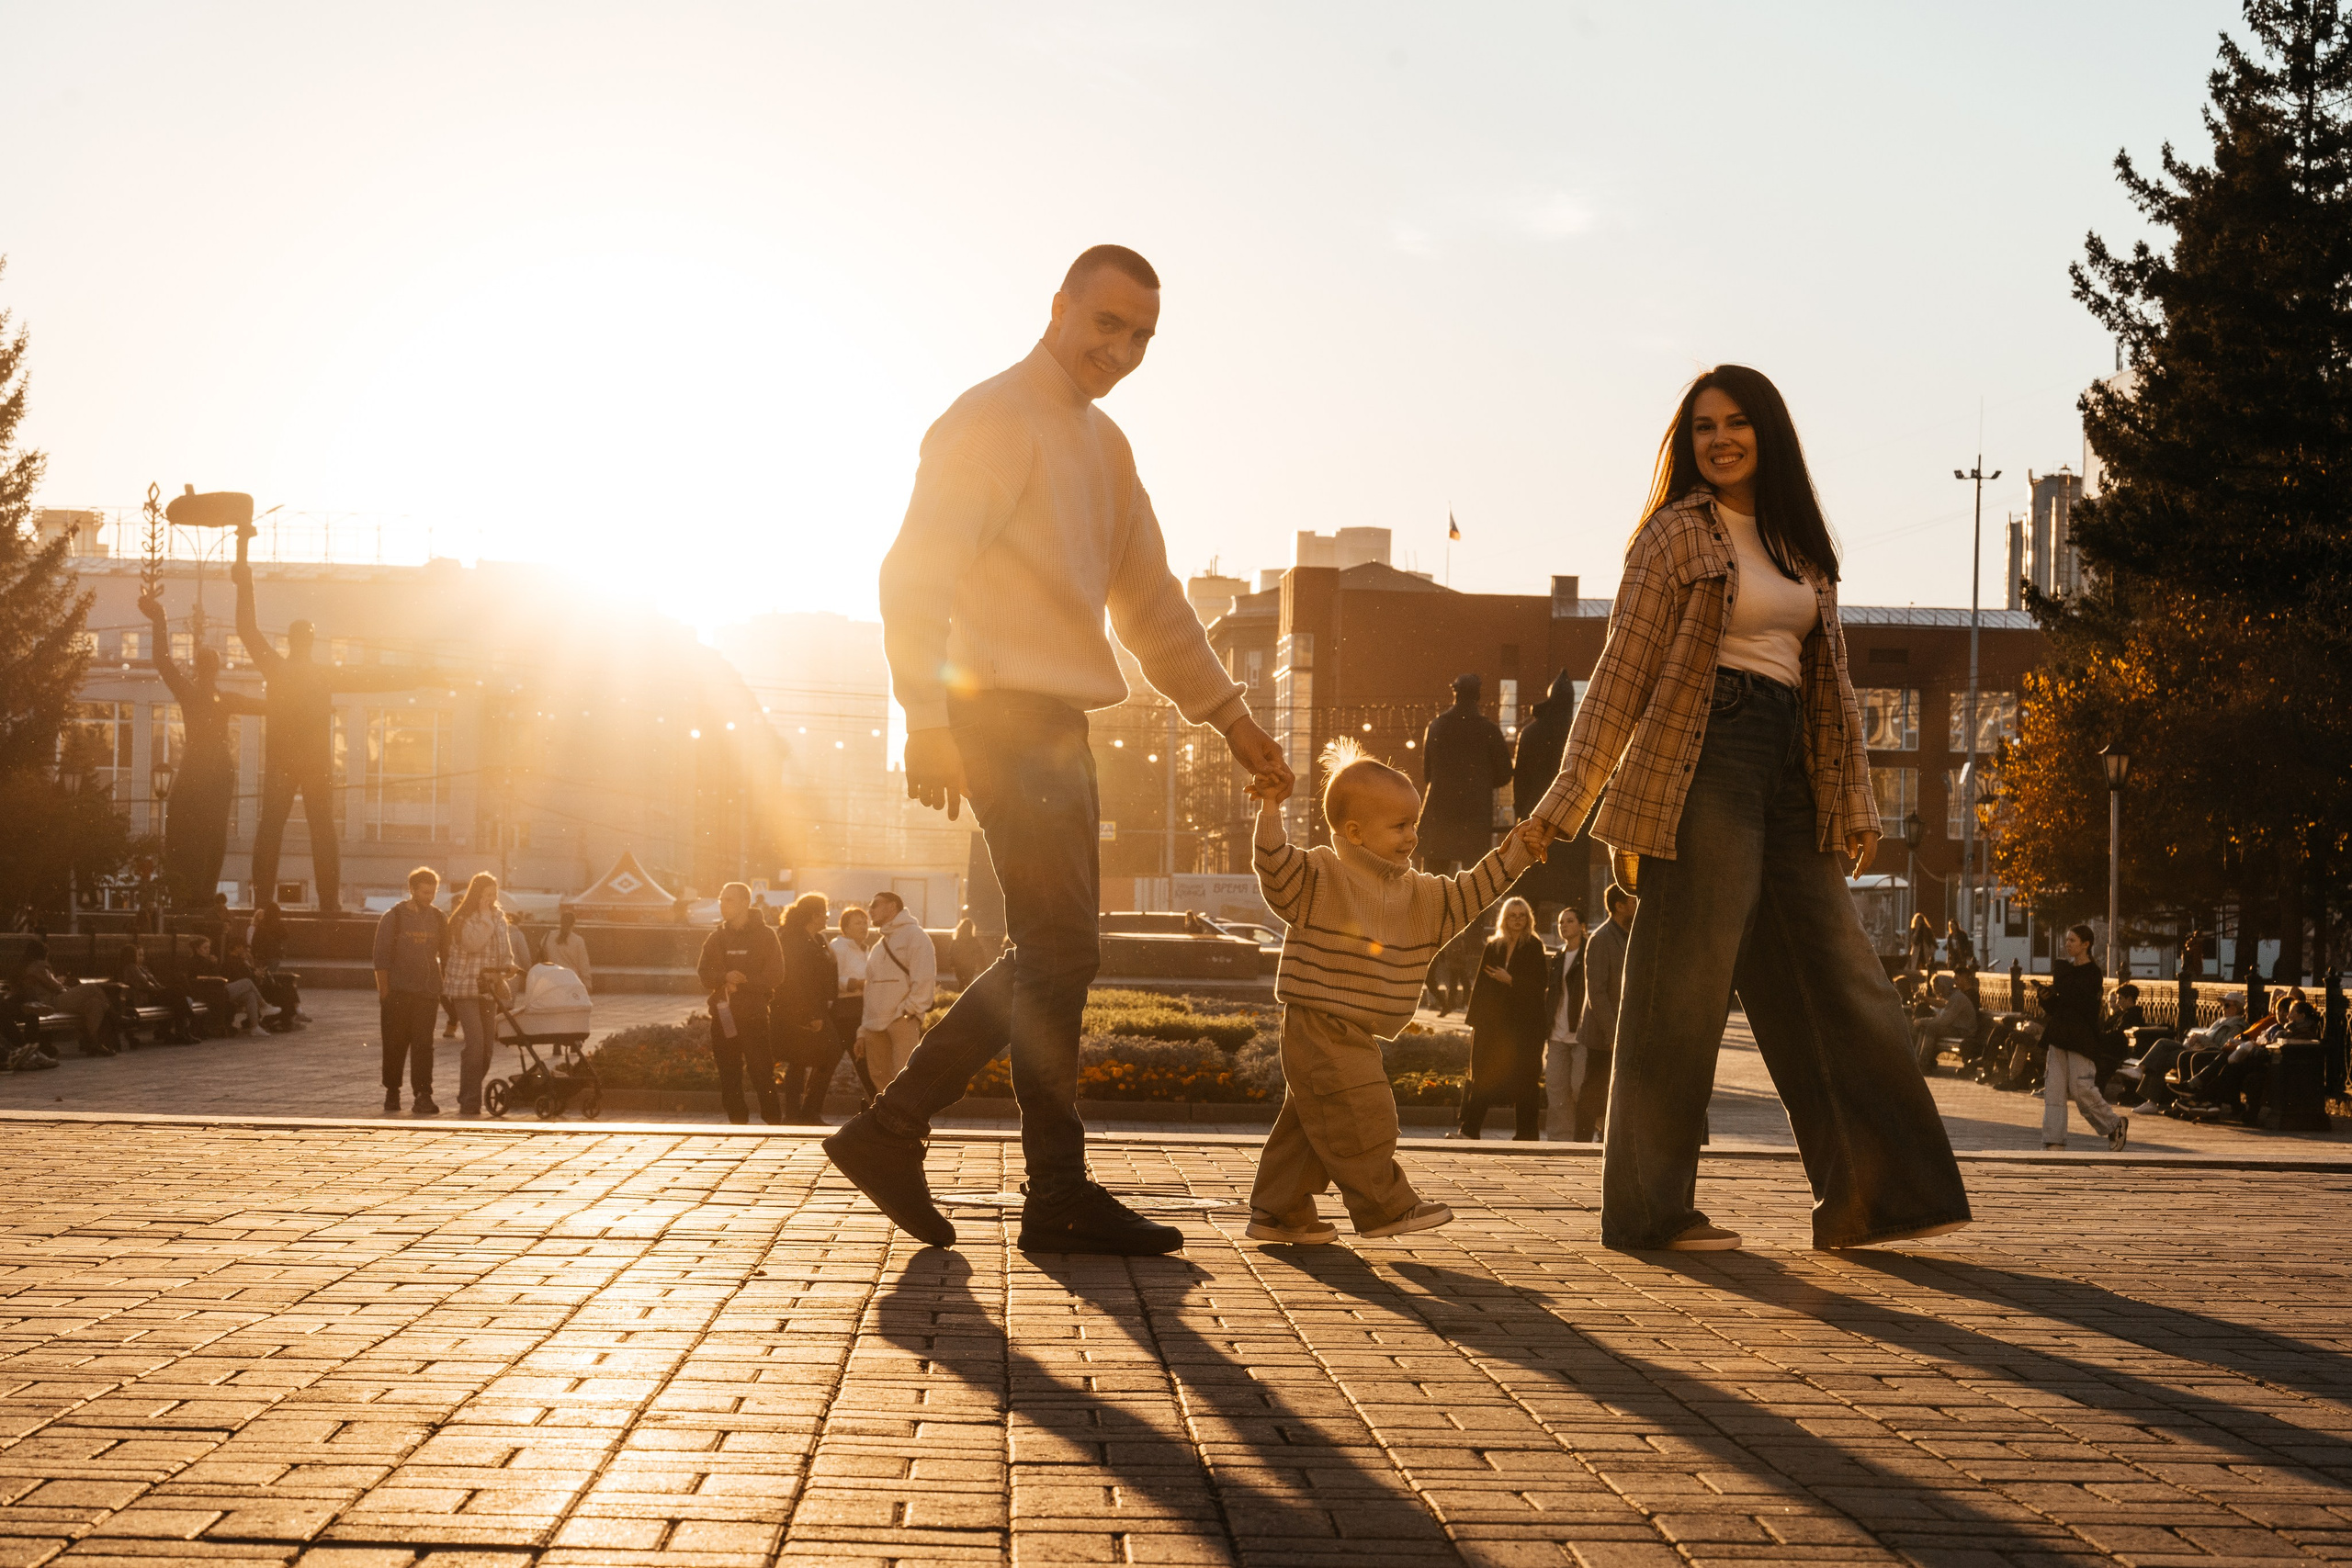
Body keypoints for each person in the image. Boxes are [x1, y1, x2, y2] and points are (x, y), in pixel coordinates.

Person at [827, 243, 1294, 1257]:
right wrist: (927, 720)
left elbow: (1153, 604)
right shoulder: (991, 420)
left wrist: (1235, 721)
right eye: (1106, 325)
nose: (1119, 350)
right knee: (1058, 950)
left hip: (1058, 728)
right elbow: (913, 577)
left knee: (1056, 956)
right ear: (1058, 308)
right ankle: (910, 1137)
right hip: (997, 718)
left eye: (1140, 337)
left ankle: (1020, 1180)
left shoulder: (1105, 446)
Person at [1524, 365, 1972, 1252]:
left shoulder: (1802, 548)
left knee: (1841, 976)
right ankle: (1648, 1209)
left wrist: (1853, 800)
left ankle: (1874, 1196)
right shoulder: (1672, 537)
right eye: (1701, 428)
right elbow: (1623, 672)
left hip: (1792, 766)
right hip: (1705, 756)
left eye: (1735, 423)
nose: (1719, 439)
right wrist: (1567, 799)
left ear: (1768, 432)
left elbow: (1833, 688)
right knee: (1680, 987)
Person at [1243, 739, 1543, 1243]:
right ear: (1355, 833)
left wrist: (1516, 853)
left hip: (1355, 1028)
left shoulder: (1422, 895)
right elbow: (1273, 865)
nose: (1412, 836)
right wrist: (1272, 806)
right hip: (1318, 1019)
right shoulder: (1319, 873)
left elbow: (1472, 891)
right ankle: (1384, 1205)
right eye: (1399, 826)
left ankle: (1278, 1212)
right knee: (1364, 1112)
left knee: (1312, 1120)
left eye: (1414, 824)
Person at [230, 524, 434, 916]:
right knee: (323, 832)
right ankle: (327, 903)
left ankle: (264, 904)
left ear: (291, 641)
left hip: (281, 763)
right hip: (315, 763)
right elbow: (376, 679)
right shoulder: (321, 675)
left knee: (271, 831)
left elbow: (246, 628)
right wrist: (421, 674)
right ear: (310, 640)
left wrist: (245, 574)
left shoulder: (276, 668)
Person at [136, 592, 265, 907]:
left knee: (183, 826)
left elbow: (162, 661)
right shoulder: (224, 698)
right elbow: (268, 707)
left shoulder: (191, 693)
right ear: (217, 669)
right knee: (211, 831)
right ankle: (201, 893)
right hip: (218, 767)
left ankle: (189, 893)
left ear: (197, 667)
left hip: (198, 764)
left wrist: (161, 618)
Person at [1455, 897, 1550, 1140]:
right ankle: (1469, 1130)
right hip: (1493, 1024)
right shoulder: (1493, 946)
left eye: (1521, 916)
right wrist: (1475, 1023)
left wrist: (1511, 980)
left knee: (1526, 1078)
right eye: (1512, 916)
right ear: (1504, 919)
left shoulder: (1534, 946)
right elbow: (1481, 989)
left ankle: (1527, 1135)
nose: (1517, 920)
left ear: (1528, 919)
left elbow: (1539, 986)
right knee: (1484, 1075)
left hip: (1525, 1025)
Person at [697, 881, 786, 1125]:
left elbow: (776, 975)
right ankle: (738, 1123)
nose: (723, 905)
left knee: (761, 1072)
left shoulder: (766, 935)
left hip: (754, 1015)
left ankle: (773, 1121)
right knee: (728, 1073)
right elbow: (704, 973)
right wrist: (724, 977)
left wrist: (744, 982)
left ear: (746, 903)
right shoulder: (717, 937)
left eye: (729, 900)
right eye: (721, 900)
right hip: (724, 1015)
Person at [2037, 922, 2126, 1151]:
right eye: (2066, 940)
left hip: (2081, 1038)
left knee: (2081, 1088)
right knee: (2054, 1090)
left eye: (2072, 941)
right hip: (2059, 1034)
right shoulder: (2065, 971)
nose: (2067, 945)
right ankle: (2053, 1140)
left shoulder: (2092, 974)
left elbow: (2081, 1005)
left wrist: (2059, 987)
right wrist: (2047, 997)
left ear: (2086, 945)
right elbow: (2060, 1007)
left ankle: (2114, 1124)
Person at [1418, 673, 1513, 872]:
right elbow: (1505, 773)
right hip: (1475, 817)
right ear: (1477, 696)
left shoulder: (1436, 726)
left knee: (1432, 883)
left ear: (1455, 694)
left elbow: (1428, 774)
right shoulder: (1488, 730)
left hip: (1440, 814)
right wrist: (1481, 783)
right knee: (1474, 885)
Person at [373, 868, 447, 1115]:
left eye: (433, 892)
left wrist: (442, 985)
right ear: (412, 889)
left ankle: (423, 1095)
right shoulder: (393, 917)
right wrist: (385, 994)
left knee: (424, 1045)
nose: (429, 897)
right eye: (425, 892)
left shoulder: (438, 918)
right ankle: (392, 1092)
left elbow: (446, 955)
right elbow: (380, 959)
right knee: (395, 1044)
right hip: (398, 993)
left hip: (427, 993)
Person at [440, 873, 509, 1119]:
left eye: (494, 895)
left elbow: (504, 948)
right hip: (465, 987)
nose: (491, 899)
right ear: (476, 894)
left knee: (488, 1048)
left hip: (487, 989)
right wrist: (484, 918)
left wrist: (507, 967)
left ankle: (468, 1090)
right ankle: (470, 1100)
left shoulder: (498, 917)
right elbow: (473, 944)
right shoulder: (462, 918)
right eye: (486, 895)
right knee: (476, 1043)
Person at [858, 891, 936, 1093]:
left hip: (901, 1019)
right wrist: (862, 1030)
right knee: (879, 1079)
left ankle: (905, 1122)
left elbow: (925, 978)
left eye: (875, 904)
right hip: (874, 1024)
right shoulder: (879, 945)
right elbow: (870, 988)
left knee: (905, 1078)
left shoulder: (916, 936)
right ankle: (888, 1122)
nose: (870, 910)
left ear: (892, 906)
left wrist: (909, 1012)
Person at [1576, 885, 1635, 1144]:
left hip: (1625, 1030)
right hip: (1603, 1034)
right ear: (1619, 906)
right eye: (1633, 900)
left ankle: (1608, 1140)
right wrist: (1614, 1033)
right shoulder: (1601, 939)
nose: (1638, 904)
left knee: (1617, 1092)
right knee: (1593, 1091)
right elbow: (1596, 992)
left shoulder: (1633, 934)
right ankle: (1580, 1143)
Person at [775, 893, 840, 1123]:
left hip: (818, 1008)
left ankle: (800, 1113)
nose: (827, 917)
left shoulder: (818, 939)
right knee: (820, 1054)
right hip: (798, 1011)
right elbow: (797, 981)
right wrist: (811, 1014)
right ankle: (802, 1112)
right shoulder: (792, 939)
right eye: (825, 913)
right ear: (814, 915)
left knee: (802, 1059)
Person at [17, 942, 113, 1055]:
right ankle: (115, 1016)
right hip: (50, 1002)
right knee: (91, 988)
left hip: (49, 1000)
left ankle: (93, 1043)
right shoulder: (38, 966)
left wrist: (61, 985)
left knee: (95, 1004)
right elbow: (55, 986)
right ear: (43, 954)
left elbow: (48, 984)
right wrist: (62, 983)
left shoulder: (29, 967)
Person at [1542, 907, 1588, 1144]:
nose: (1564, 926)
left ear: (1581, 925)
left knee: (1581, 1088)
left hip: (1582, 1034)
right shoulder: (1558, 956)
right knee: (1557, 1090)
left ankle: (1596, 1131)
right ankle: (1559, 1141)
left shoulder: (1591, 952)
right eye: (1561, 923)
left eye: (1570, 921)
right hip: (1558, 1033)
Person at [114, 940, 199, 1044]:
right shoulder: (131, 968)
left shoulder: (140, 968)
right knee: (177, 993)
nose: (141, 957)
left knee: (177, 994)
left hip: (152, 994)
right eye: (138, 955)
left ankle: (181, 1032)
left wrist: (161, 989)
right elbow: (144, 984)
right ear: (131, 955)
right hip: (145, 996)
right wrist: (160, 990)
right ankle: (184, 1029)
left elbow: (153, 983)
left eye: (142, 955)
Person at [249, 903, 303, 1031]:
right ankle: (274, 1010)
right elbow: (285, 935)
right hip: (274, 955)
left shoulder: (261, 924)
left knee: (266, 980)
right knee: (272, 981)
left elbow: (255, 942)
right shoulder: (277, 923)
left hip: (261, 957)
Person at [1910, 973, 1978, 1075]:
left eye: (1934, 987)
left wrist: (1921, 1021)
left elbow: (1944, 1021)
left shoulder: (1957, 998)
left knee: (1931, 1028)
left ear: (1942, 986)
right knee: (1926, 1028)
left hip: (1964, 1031)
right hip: (1956, 1028)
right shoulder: (1951, 997)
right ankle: (1917, 1062)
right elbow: (1940, 1005)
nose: (1933, 990)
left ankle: (1923, 1064)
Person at [540, 908, 594, 988]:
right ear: (573, 923)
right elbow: (584, 964)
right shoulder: (578, 940)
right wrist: (588, 983)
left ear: (560, 922)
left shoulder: (548, 936)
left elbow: (542, 953)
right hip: (571, 980)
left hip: (552, 978)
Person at [949, 914, 987, 991]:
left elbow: (952, 953)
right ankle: (966, 998)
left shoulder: (957, 940)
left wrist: (953, 963)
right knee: (968, 982)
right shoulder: (974, 940)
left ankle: (959, 997)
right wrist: (982, 966)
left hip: (959, 966)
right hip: (970, 966)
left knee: (961, 983)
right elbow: (979, 953)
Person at [1906, 912, 1937, 977]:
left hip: (1925, 952)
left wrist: (1931, 951)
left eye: (1920, 922)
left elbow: (1933, 942)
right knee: (1915, 967)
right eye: (1917, 922)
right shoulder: (1914, 930)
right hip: (1916, 952)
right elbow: (1913, 941)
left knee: (1926, 967)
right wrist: (1917, 930)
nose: (1918, 923)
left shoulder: (1927, 930)